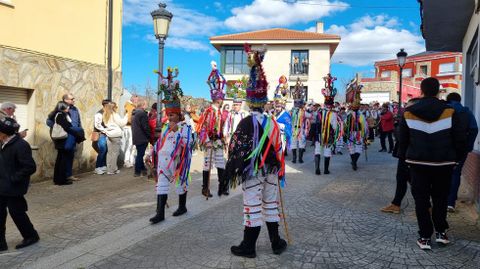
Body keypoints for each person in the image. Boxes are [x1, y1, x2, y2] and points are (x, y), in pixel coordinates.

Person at [226, 44, 287, 258]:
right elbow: (280, 149)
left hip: (253, 173)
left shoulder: (245, 123)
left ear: (249, 101)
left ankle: (249, 246)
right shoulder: (272, 123)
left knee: (252, 206)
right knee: (270, 205)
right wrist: (278, 168)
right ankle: (276, 242)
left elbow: (236, 149)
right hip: (271, 171)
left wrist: (233, 170)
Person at [398, 77, 468, 250]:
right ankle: (441, 233)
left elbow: (402, 140)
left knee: (421, 201)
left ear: (421, 91)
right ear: (438, 91)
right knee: (441, 199)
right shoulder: (450, 112)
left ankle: (424, 237)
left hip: (417, 163)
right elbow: (460, 139)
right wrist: (456, 160)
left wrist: (405, 162)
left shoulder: (408, 112)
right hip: (443, 164)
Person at [149, 73, 194, 224]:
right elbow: (160, 142)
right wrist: (151, 152)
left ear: (179, 115)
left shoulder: (185, 127)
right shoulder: (166, 128)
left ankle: (182, 206)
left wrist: (177, 132)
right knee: (161, 185)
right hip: (163, 161)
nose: (170, 118)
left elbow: (187, 144)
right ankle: (160, 213)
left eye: (173, 115)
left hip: (177, 162)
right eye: (168, 115)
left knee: (181, 183)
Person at [0, 117, 39, 251]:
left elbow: (30, 167)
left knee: (17, 212)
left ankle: (31, 236)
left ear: (5, 132)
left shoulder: (20, 145)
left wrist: (13, 178)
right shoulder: (2, 142)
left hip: (13, 186)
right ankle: (1, 243)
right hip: (2, 185)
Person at [381, 98, 420, 214]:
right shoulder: (413, 117)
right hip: (408, 154)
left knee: (412, 181)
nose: (405, 108)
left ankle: (424, 204)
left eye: (408, 106)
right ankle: (396, 203)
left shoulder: (411, 117)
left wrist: (398, 126)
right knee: (404, 180)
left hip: (408, 154)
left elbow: (401, 137)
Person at [197, 61, 228, 197]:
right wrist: (206, 140)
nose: (222, 100)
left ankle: (222, 187)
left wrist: (225, 137)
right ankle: (205, 188)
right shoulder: (208, 111)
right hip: (210, 142)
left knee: (221, 163)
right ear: (217, 99)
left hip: (219, 141)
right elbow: (202, 126)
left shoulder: (221, 113)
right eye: (221, 98)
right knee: (207, 165)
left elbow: (224, 126)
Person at [446, 92, 478, 212]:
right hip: (461, 149)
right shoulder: (467, 112)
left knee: (443, 172)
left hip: (444, 148)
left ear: (448, 101)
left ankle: (441, 199)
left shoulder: (445, 111)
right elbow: (474, 129)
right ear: (459, 100)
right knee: (456, 173)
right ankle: (450, 202)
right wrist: (469, 146)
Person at [48, 101, 85, 185]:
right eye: (67, 107)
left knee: (60, 160)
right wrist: (78, 132)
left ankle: (58, 179)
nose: (68, 108)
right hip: (63, 141)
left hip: (61, 141)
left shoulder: (60, 114)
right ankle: (61, 180)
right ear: (62, 107)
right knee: (62, 161)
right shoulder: (60, 115)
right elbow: (67, 127)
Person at [316, 73, 342, 175]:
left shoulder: (319, 111)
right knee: (327, 151)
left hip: (318, 134)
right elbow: (335, 127)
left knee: (317, 150)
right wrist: (337, 132)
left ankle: (317, 169)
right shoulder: (333, 114)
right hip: (328, 135)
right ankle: (326, 170)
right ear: (331, 104)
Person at [344, 85, 368, 171]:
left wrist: (345, 132)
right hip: (358, 133)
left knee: (352, 148)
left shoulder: (349, 115)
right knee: (358, 148)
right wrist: (365, 134)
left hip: (352, 133)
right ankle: (354, 162)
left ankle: (353, 162)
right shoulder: (361, 115)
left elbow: (345, 125)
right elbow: (365, 126)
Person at [61, 93, 83, 181]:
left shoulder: (75, 109)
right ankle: (62, 176)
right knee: (64, 156)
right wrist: (61, 128)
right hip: (65, 136)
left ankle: (69, 175)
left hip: (74, 135)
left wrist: (80, 131)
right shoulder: (60, 108)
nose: (74, 100)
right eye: (72, 99)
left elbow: (78, 121)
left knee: (71, 155)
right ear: (65, 100)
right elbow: (49, 121)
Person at [103, 102, 128, 175]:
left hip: (109, 135)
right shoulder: (114, 114)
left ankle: (109, 169)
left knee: (109, 153)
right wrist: (126, 115)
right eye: (116, 107)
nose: (117, 108)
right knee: (115, 153)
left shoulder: (105, 114)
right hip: (116, 135)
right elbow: (122, 123)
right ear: (113, 107)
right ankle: (113, 169)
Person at [290, 78, 309, 164]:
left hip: (298, 129)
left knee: (298, 143)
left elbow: (311, 116)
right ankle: (297, 158)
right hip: (297, 129)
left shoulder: (296, 112)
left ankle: (297, 158)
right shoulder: (294, 112)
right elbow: (311, 116)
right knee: (297, 143)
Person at [131, 99, 150, 177]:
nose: (147, 106)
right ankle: (137, 171)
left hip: (136, 136)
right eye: (146, 104)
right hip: (142, 137)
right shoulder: (142, 113)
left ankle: (143, 169)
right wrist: (149, 135)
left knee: (140, 153)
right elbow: (145, 127)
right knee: (140, 155)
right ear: (142, 105)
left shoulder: (134, 113)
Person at [93, 99, 111, 175]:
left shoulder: (106, 113)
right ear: (106, 105)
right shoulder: (99, 114)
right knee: (102, 150)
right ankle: (97, 167)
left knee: (105, 150)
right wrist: (105, 130)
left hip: (105, 134)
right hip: (100, 134)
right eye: (109, 105)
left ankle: (103, 166)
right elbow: (97, 125)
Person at [122, 95, 138, 168]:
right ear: (133, 99)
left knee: (132, 144)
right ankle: (126, 161)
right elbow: (129, 118)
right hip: (129, 127)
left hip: (132, 127)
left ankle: (131, 160)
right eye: (136, 100)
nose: (137, 101)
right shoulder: (129, 106)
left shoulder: (132, 106)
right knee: (130, 144)